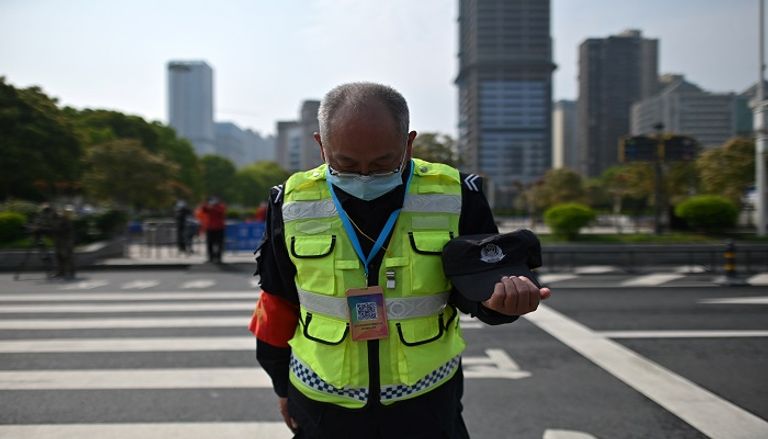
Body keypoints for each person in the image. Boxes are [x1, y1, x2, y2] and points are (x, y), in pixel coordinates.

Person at [249, 82, 551, 438]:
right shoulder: (291, 202)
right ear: (321, 144)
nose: (363, 176)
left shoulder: (457, 194)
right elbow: (277, 301)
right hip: (321, 403)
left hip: (426, 401)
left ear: (408, 143)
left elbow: (473, 288)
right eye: (345, 163)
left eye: (382, 163)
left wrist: (501, 304)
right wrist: (281, 385)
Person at [200, 196, 226, 263]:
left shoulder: (220, 206)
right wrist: (205, 202)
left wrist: (213, 206)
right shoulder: (208, 206)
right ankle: (210, 257)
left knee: (219, 244)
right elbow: (203, 209)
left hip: (219, 228)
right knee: (210, 244)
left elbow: (221, 211)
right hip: (210, 228)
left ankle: (218, 257)